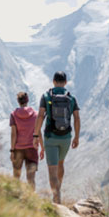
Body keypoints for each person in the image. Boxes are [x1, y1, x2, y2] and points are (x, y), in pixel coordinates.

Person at [36, 71, 80, 205]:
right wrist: (76, 137)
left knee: (52, 171)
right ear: (65, 82)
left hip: (51, 137)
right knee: (61, 163)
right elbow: (77, 118)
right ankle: (58, 192)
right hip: (66, 137)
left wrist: (35, 134)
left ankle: (57, 200)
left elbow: (40, 117)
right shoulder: (71, 98)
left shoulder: (45, 96)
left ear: (53, 81)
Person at [9, 91, 39, 190]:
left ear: (18, 101)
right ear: (27, 100)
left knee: (16, 176)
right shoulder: (35, 114)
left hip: (18, 149)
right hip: (32, 149)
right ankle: (32, 201)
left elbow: (14, 134)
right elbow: (38, 132)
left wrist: (12, 150)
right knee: (31, 178)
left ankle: (14, 198)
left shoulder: (13, 115)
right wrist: (42, 147)